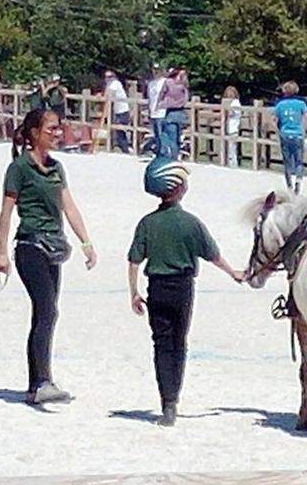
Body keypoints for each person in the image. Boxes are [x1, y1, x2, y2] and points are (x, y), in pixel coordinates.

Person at [128, 156, 245, 427]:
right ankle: (173, 402)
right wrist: (234, 273)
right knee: (179, 343)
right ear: (178, 187)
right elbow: (212, 254)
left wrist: (133, 292)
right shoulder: (190, 222)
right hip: (182, 288)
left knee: (161, 343)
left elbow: (134, 260)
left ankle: (164, 399)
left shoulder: (147, 223)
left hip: (155, 287)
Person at [0, 108, 98, 404]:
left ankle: (38, 383)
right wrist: (1, 252)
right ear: (34, 133)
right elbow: (5, 213)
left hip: (54, 245)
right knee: (46, 309)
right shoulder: (19, 169)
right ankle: (41, 382)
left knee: (48, 312)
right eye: (51, 128)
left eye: (58, 128)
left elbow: (69, 206)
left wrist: (86, 242)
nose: (57, 133)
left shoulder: (56, 168)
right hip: (30, 246)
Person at [271, 81, 307, 193]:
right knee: (299, 160)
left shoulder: (280, 105)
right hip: (298, 134)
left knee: (287, 161)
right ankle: (298, 180)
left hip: (285, 134)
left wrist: (278, 131)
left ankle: (289, 185)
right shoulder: (301, 104)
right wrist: (305, 130)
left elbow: (273, 120)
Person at [158, 67, 190, 159]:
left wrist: (160, 104)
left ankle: (172, 156)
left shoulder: (168, 82)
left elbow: (162, 94)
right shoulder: (184, 85)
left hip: (171, 112)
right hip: (180, 112)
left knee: (169, 136)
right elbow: (186, 98)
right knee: (177, 137)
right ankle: (175, 155)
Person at [102, 70, 131, 154]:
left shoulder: (115, 83)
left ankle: (125, 149)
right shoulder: (109, 84)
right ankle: (122, 148)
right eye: (106, 77)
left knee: (120, 130)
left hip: (123, 110)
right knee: (117, 130)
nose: (107, 78)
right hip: (117, 110)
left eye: (109, 76)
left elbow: (109, 95)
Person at [146, 65, 168, 154]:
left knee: (162, 134)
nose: (156, 72)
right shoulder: (151, 84)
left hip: (162, 112)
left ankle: (164, 153)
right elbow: (150, 99)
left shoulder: (165, 82)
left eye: (158, 70)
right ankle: (159, 153)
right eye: (154, 70)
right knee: (156, 135)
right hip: (153, 112)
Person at [222, 85, 242, 168]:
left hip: (233, 128)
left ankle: (234, 165)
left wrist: (226, 110)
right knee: (226, 148)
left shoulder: (236, 103)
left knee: (232, 148)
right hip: (227, 128)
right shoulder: (226, 102)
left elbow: (232, 113)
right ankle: (227, 163)